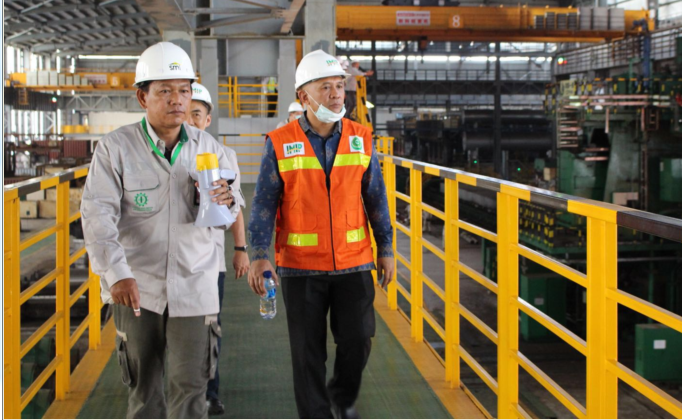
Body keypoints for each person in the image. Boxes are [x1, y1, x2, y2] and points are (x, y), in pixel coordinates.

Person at [81, 42, 238, 419]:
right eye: (165, 90)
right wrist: (116, 273)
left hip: (195, 285)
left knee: (192, 389)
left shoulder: (209, 148)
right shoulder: (116, 148)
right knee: (144, 391)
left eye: (184, 90)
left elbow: (229, 214)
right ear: (143, 97)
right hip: (138, 287)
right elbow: (97, 214)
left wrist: (226, 201)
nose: (177, 100)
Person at [247, 49, 395, 419]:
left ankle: (341, 398)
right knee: (307, 352)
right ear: (304, 96)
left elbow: (376, 197)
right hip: (300, 266)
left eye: (339, 86)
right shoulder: (279, 142)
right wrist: (259, 255)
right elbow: (264, 202)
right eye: (325, 87)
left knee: (358, 340)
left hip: (354, 261)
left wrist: (386, 247)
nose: (335, 94)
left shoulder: (361, 138)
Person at [187, 82, 250, 415]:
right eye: (185, 112)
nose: (189, 120)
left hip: (208, 261)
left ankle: (209, 392)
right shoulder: (160, 154)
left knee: (209, 328)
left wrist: (241, 247)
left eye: (196, 114)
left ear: (207, 119)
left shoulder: (223, 155)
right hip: (162, 261)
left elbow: (235, 206)